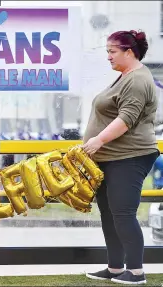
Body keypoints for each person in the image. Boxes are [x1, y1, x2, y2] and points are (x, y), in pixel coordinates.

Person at [82, 30, 160, 285]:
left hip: (130, 156)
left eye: (112, 52)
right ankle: (115, 268)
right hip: (111, 158)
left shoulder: (137, 79)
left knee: (123, 213)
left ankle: (136, 273)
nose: (108, 57)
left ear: (129, 52)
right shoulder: (124, 77)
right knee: (108, 213)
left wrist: (98, 140)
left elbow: (126, 119)